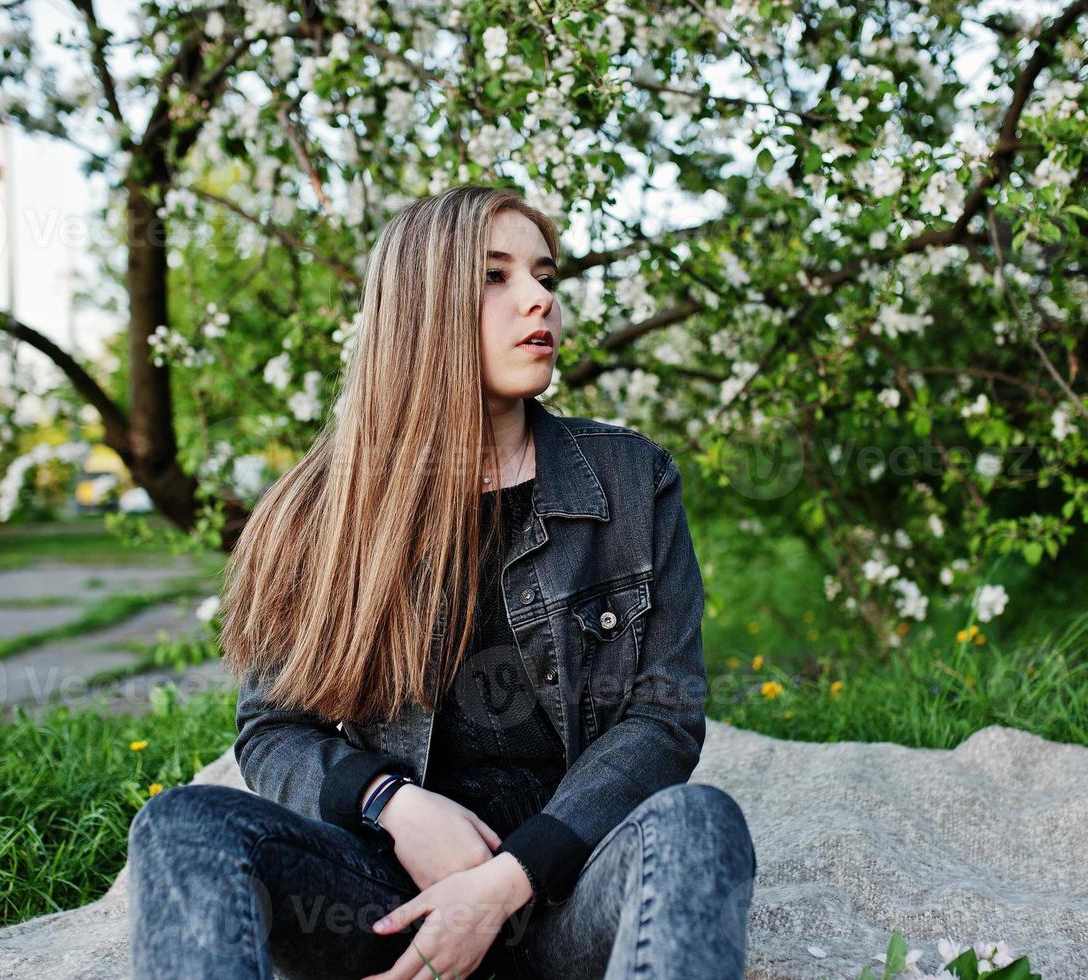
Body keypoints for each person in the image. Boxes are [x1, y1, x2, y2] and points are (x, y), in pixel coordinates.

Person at [126, 184, 757, 980]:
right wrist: (388, 803)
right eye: (495, 277)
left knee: (699, 821)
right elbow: (272, 729)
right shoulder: (320, 511)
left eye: (545, 276)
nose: (539, 301)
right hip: (388, 901)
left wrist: (503, 883)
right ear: (421, 308)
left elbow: (663, 718)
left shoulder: (631, 479)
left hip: (570, 891)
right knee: (182, 824)